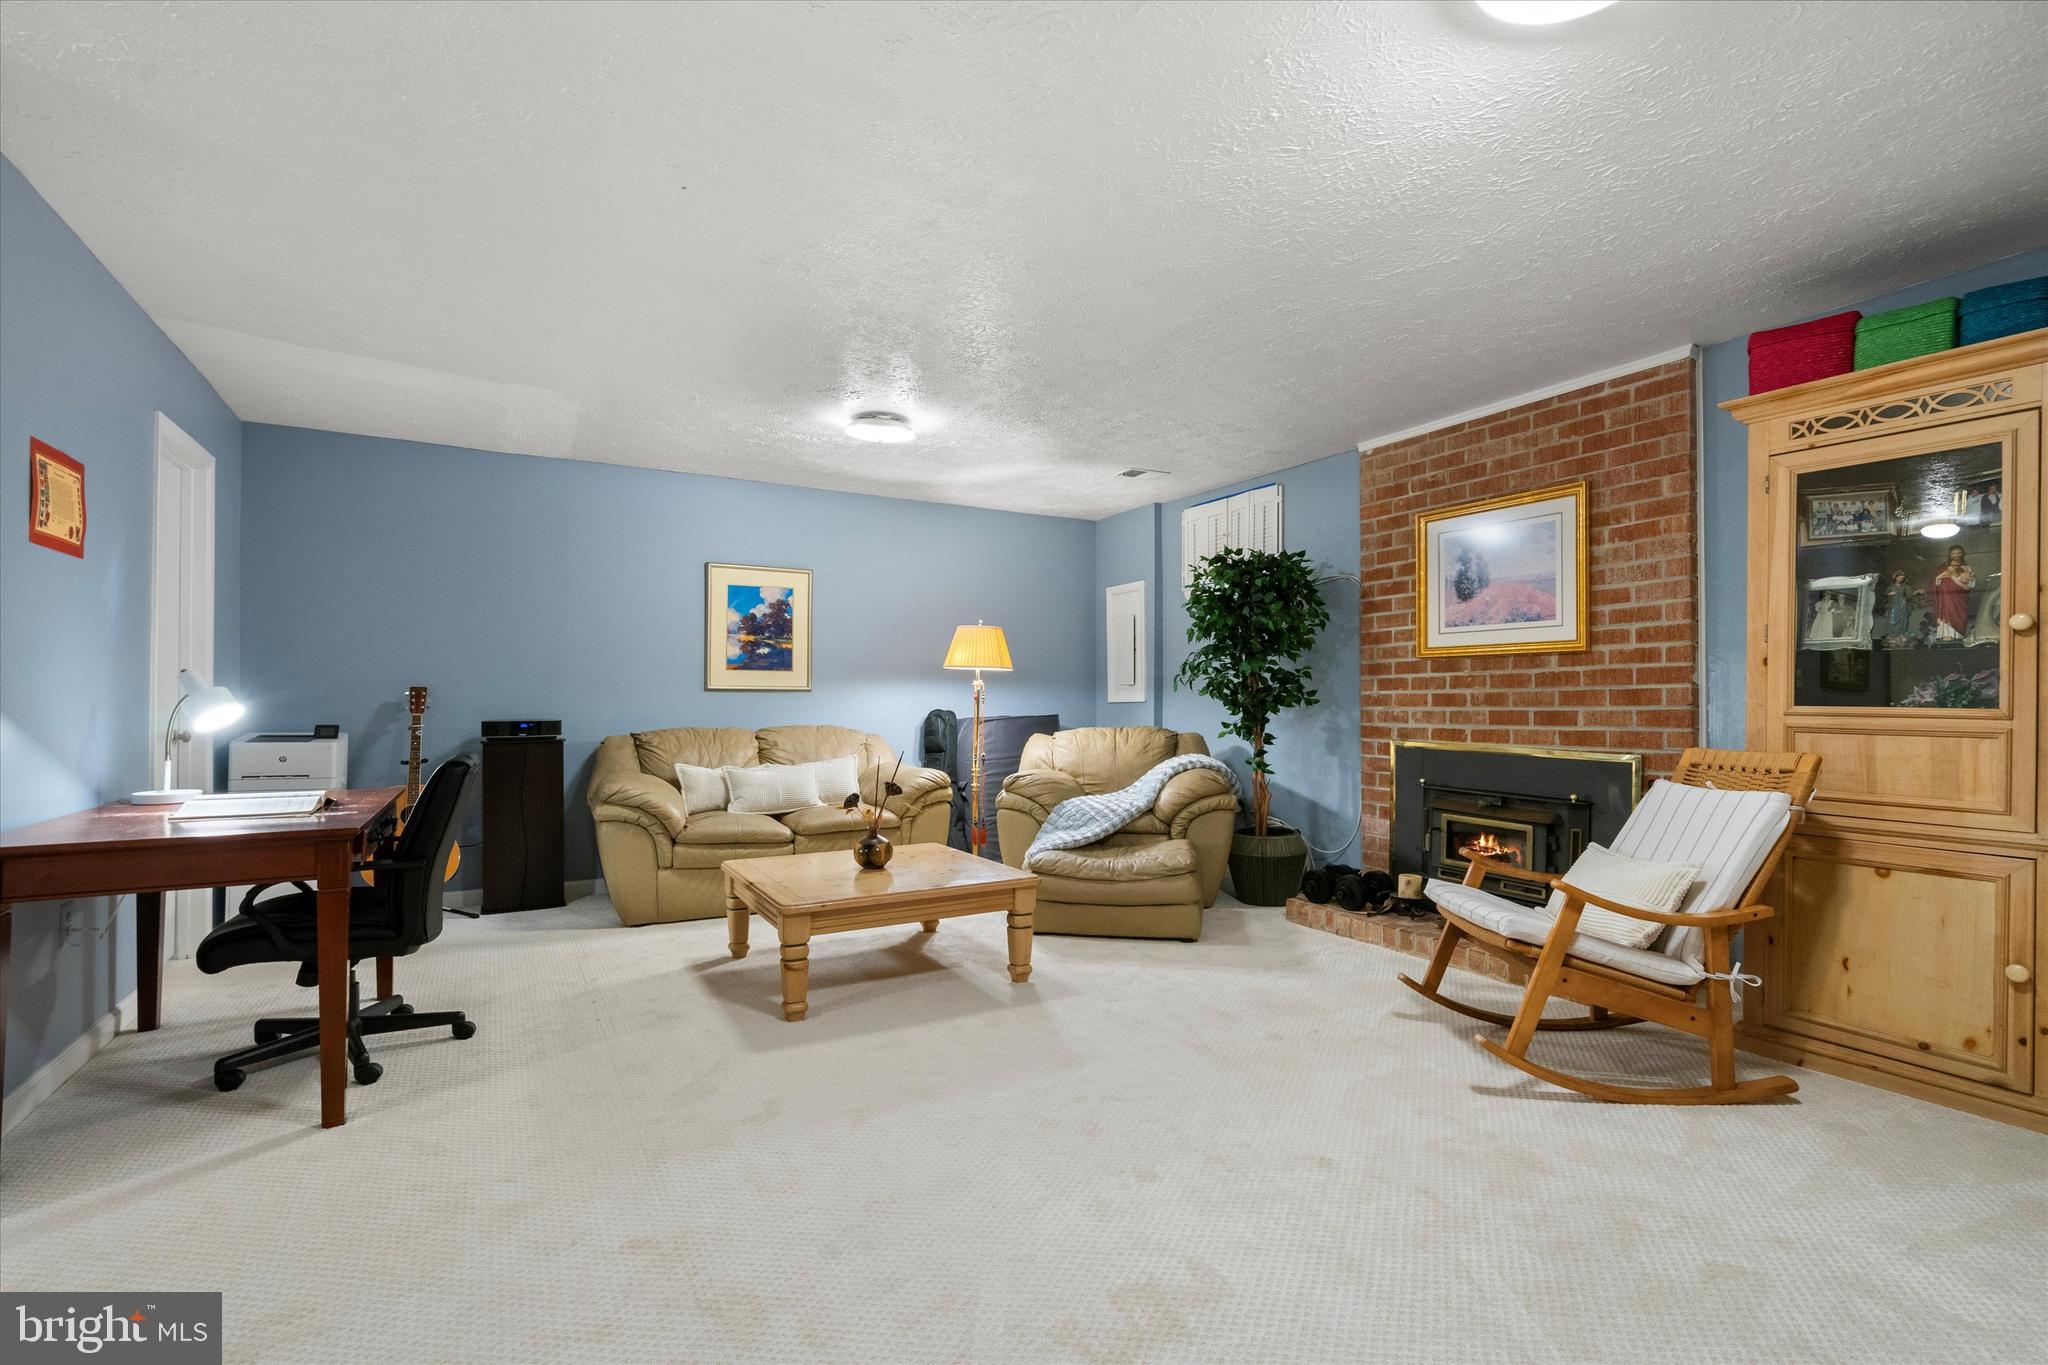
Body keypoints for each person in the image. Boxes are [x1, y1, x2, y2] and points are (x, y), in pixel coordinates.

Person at [1932, 545, 1974, 642]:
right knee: (1947, 612)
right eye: (1954, 553)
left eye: (1959, 553)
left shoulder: (1966, 567)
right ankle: (1947, 634)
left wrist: (1961, 579)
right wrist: (1941, 578)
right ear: (1950, 555)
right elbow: (1935, 583)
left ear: (1963, 554)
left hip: (1960, 596)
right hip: (1946, 596)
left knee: (1960, 614)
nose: (1957, 555)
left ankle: (1959, 634)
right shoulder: (1943, 568)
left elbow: (1972, 583)